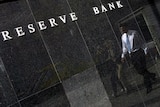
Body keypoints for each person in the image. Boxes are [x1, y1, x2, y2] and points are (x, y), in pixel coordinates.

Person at [119, 23, 156, 94]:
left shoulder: (134, 33)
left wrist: (145, 51)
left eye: (123, 28)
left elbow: (142, 42)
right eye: (121, 29)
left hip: (138, 52)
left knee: (143, 69)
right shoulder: (123, 37)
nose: (122, 30)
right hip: (132, 55)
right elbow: (124, 47)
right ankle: (151, 75)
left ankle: (148, 86)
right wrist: (123, 56)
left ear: (126, 27)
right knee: (139, 71)